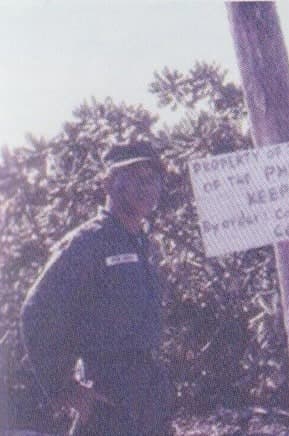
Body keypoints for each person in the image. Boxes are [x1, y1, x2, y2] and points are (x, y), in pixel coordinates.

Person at [20, 141, 173, 435]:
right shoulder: (88, 242)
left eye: (154, 179)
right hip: (106, 396)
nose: (147, 188)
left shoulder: (141, 242)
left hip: (148, 395)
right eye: (136, 178)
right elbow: (37, 312)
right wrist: (65, 388)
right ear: (108, 182)